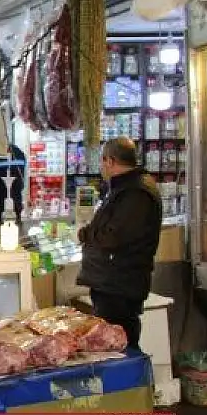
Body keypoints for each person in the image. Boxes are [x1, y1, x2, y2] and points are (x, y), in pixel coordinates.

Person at [77, 138, 162, 350]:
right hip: (112, 285)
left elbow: (114, 236)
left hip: (120, 287)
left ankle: (132, 383)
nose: (101, 166)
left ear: (110, 161)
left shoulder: (136, 193)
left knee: (120, 347)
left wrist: (85, 235)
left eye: (102, 161)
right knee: (111, 347)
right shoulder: (122, 189)